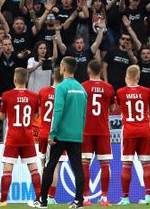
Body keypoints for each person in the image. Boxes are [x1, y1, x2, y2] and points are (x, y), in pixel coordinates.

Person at [33, 57, 88, 209]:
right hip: (76, 135)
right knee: (77, 167)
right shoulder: (81, 89)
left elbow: (57, 111)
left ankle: (43, 201)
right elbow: (83, 114)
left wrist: (52, 132)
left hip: (60, 135)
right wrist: (79, 131)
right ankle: (79, 201)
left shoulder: (61, 88)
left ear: (63, 67)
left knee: (50, 166)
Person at [0, 68, 42, 207]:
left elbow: (2, 117)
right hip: (27, 137)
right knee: (33, 168)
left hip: (12, 137)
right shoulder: (34, 96)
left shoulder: (7, 95)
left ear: (15, 80)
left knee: (7, 169)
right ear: (26, 80)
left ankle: (3, 200)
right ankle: (39, 198)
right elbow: (35, 116)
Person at [116, 65, 150, 205]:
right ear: (138, 77)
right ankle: (148, 196)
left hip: (129, 132)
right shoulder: (146, 91)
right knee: (147, 164)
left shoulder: (120, 92)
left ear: (126, 78)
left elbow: (119, 107)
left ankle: (125, 198)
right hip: (144, 130)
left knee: (126, 165)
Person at [81, 59, 115, 205]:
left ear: (88, 70)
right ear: (101, 70)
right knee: (105, 164)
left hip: (86, 130)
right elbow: (113, 109)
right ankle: (104, 198)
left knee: (84, 164)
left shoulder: (83, 87)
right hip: (102, 130)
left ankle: (86, 198)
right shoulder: (108, 88)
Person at [36, 75, 59, 205]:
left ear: (53, 76)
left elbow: (40, 112)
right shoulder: (64, 92)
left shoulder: (43, 91)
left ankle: (41, 196)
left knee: (44, 167)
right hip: (58, 134)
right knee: (55, 167)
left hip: (44, 132)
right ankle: (51, 197)